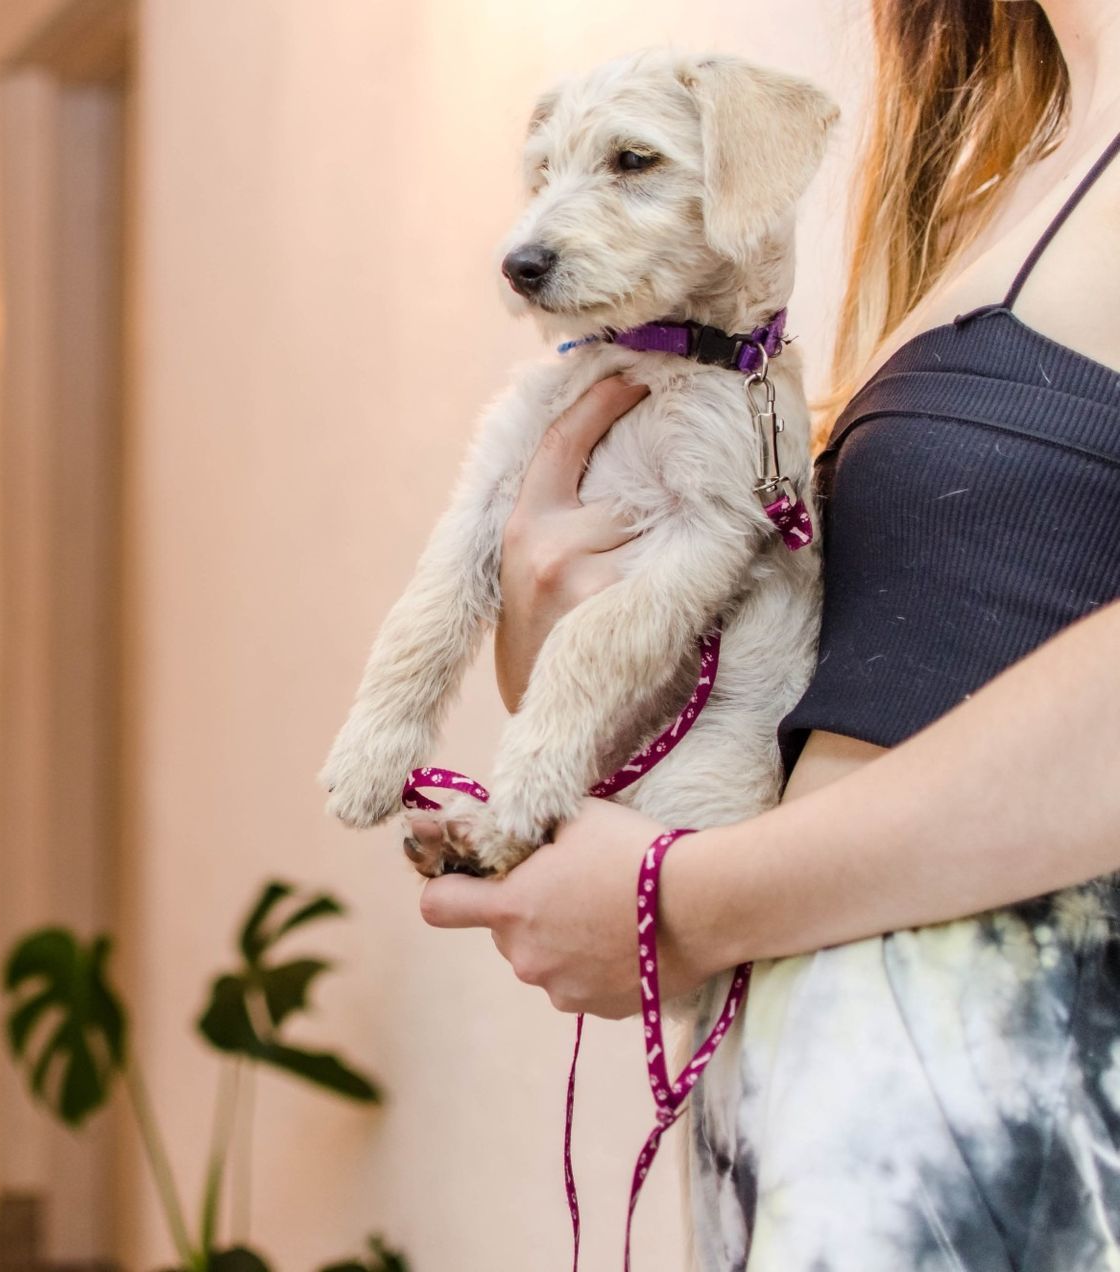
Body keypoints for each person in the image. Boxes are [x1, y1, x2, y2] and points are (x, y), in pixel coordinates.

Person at [408, 1, 1120, 1266]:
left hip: (1022, 1111)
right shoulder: (1007, 176)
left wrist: (676, 899)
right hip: (811, 1100)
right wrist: (544, 611)